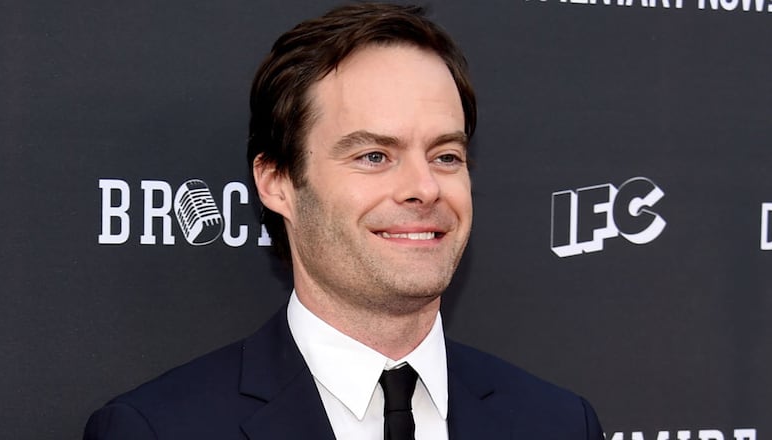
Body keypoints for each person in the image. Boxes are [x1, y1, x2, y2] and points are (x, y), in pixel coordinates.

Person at [84, 3, 604, 439]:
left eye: (446, 156)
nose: (425, 188)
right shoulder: (159, 429)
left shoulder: (559, 424)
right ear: (277, 182)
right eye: (374, 156)